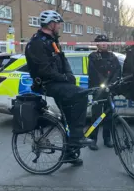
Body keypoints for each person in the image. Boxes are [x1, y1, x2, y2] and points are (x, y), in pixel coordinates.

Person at [25, 10, 94, 166]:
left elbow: (63, 61)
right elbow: (44, 69)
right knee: (81, 94)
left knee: (69, 116)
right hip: (47, 84)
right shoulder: (37, 43)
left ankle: (70, 153)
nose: (60, 27)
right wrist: (64, 78)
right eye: (59, 24)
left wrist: (70, 76)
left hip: (59, 82)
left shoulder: (52, 40)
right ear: (51, 24)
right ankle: (77, 137)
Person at [87, 34, 121, 151]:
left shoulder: (113, 57)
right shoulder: (93, 56)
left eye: (106, 42)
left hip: (110, 90)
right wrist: (104, 84)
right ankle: (92, 140)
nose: (104, 44)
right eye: (102, 42)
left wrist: (112, 84)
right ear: (97, 44)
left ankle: (107, 139)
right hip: (98, 90)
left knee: (109, 115)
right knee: (96, 116)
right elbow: (93, 73)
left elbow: (117, 70)